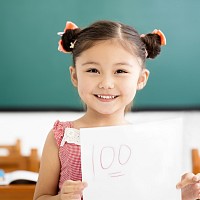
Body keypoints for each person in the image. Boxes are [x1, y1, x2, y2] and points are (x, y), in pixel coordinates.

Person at [33, 20, 198, 200]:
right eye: (93, 70)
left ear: (141, 79)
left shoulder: (148, 142)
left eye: (120, 71)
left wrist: (183, 195)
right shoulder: (62, 136)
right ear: (74, 76)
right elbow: (41, 197)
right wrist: (60, 198)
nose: (106, 84)